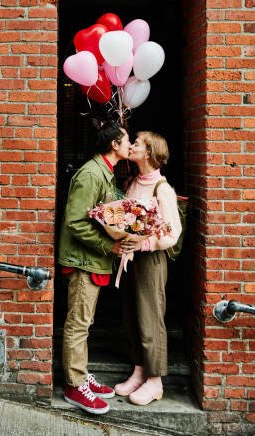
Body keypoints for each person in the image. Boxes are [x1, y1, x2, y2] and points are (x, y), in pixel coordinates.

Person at [58, 120, 131, 415]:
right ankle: (74, 386)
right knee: (78, 323)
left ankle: (80, 372)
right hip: (83, 261)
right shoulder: (91, 173)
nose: (130, 144)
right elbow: (75, 222)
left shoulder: (105, 172)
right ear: (114, 144)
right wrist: (109, 246)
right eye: (127, 140)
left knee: (84, 323)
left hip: (91, 260)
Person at [113, 131, 182, 406]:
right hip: (131, 259)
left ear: (150, 153)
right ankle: (139, 370)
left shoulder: (161, 189)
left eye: (138, 144)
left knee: (151, 316)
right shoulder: (134, 182)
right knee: (133, 315)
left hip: (151, 260)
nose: (132, 146)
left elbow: (172, 232)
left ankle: (155, 381)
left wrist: (145, 245)